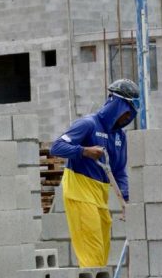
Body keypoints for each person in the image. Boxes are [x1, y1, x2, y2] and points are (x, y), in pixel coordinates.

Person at [50, 79, 139, 268]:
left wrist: (127, 201)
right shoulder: (88, 124)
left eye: (131, 114)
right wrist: (84, 151)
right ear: (116, 105)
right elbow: (56, 147)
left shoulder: (119, 137)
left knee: (103, 245)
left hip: (100, 194)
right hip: (79, 191)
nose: (127, 117)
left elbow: (119, 171)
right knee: (91, 247)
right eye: (126, 111)